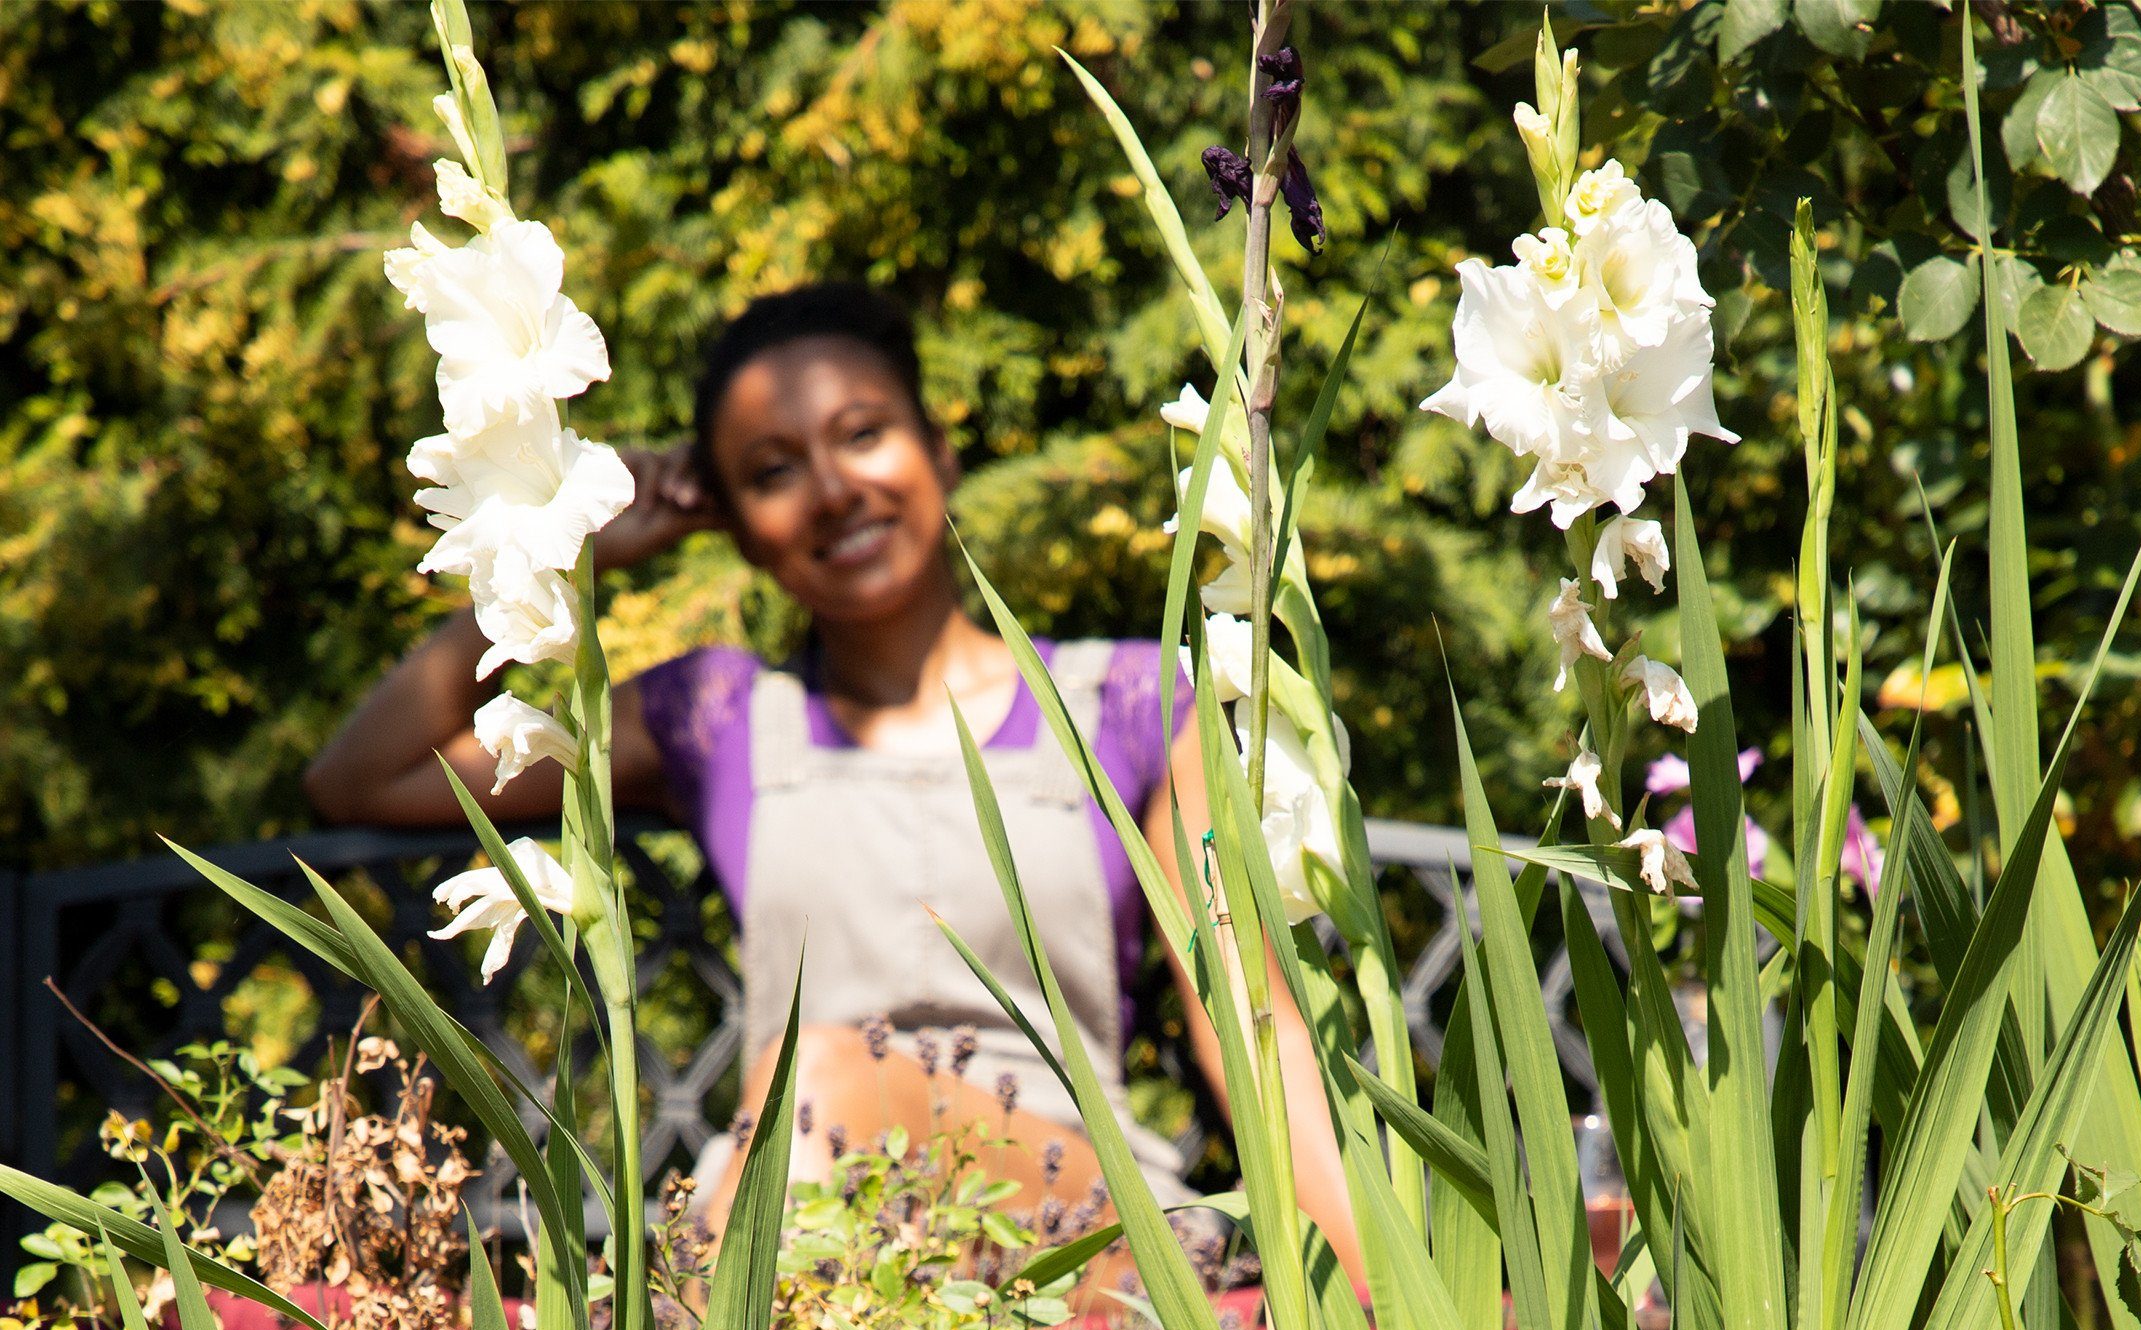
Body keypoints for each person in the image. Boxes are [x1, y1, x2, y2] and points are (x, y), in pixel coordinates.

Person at [305, 280, 1357, 1268]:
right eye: (771, 471)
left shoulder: (1132, 707)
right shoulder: (718, 724)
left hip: (1070, 1223)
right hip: (807, 1228)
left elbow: (1250, 1017)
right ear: (732, 525)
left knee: (818, 1082)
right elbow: (367, 776)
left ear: (938, 453)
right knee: (802, 1110)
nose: (833, 489)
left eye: (863, 434)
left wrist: (1384, 1318)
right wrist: (568, 536)